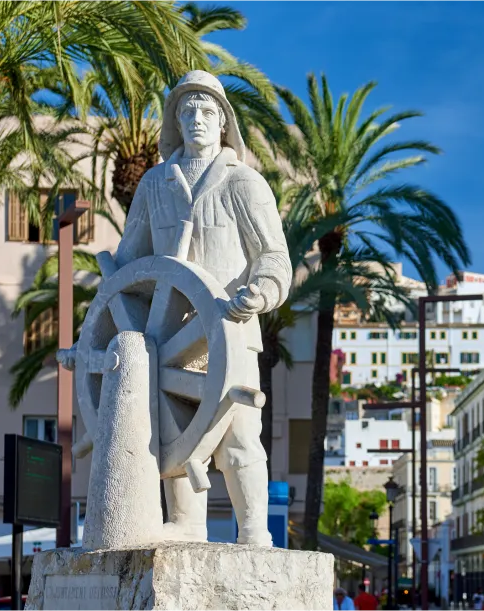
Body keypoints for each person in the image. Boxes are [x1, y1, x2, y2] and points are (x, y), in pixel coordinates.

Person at [108, 70, 292, 545]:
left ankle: (253, 531)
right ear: (174, 120)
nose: (197, 119)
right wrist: (113, 304)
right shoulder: (153, 185)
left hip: (232, 328)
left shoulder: (244, 183)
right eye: (186, 110)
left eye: (207, 110)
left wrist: (261, 292)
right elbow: (131, 264)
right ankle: (187, 523)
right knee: (172, 434)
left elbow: (273, 257)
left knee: (239, 436)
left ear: (224, 120)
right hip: (172, 337)